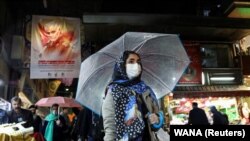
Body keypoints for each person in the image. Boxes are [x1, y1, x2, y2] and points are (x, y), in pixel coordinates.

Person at [102, 51, 164, 141]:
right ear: (122, 65)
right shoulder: (114, 90)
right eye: (131, 61)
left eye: (138, 62)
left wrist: (157, 119)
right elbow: (110, 125)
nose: (136, 65)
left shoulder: (146, 90)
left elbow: (158, 115)